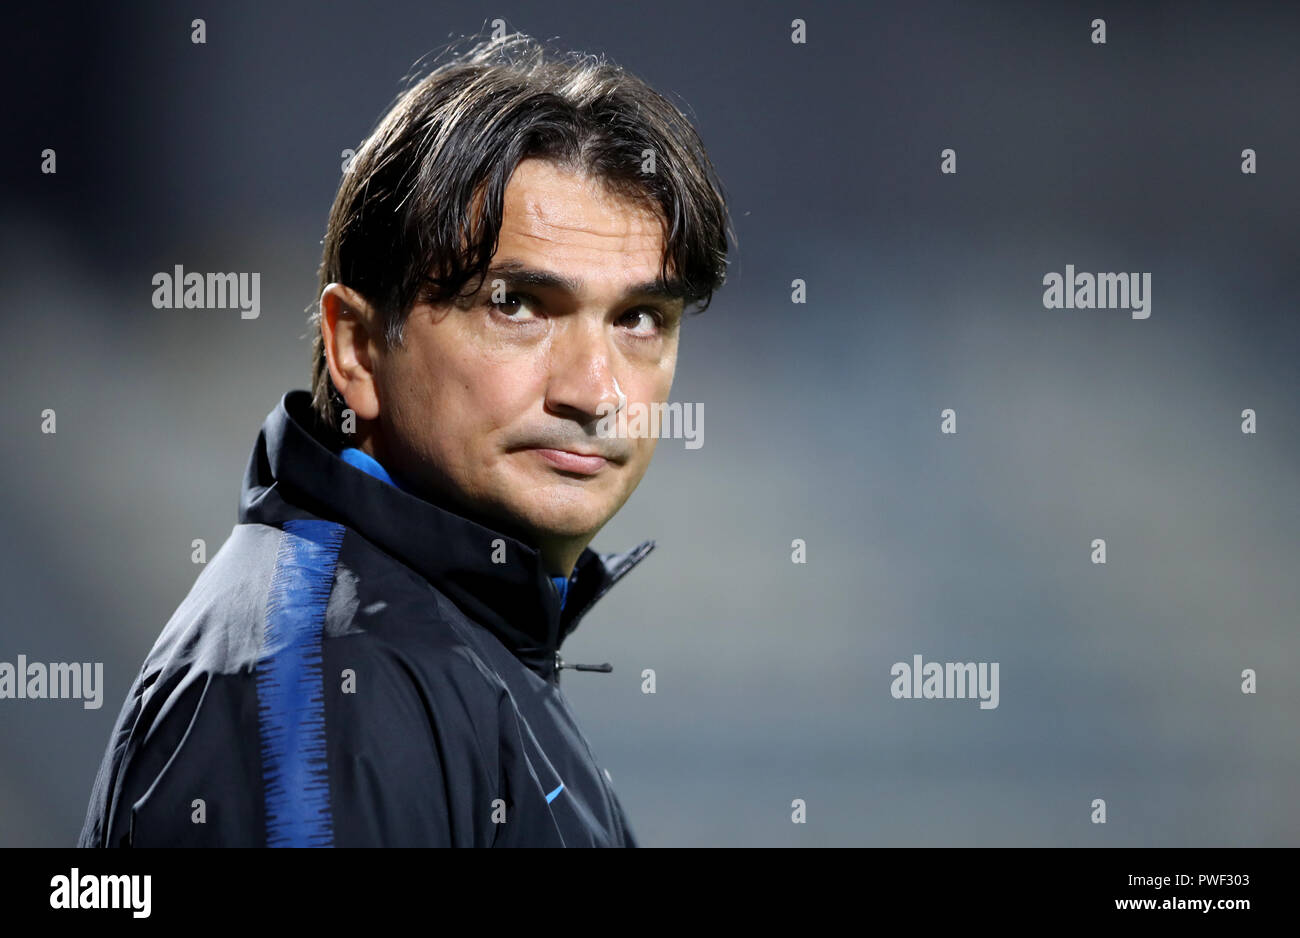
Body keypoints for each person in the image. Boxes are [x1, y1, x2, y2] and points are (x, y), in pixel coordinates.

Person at [77, 31, 731, 847]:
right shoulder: (330, 683)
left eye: (639, 319)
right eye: (517, 305)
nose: (596, 393)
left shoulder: (440, 645)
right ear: (354, 345)